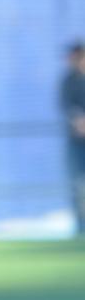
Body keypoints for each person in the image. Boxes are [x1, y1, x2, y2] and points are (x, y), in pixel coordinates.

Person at [63, 41, 85, 235]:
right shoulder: (68, 81)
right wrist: (78, 121)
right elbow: (66, 107)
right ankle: (80, 225)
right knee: (77, 184)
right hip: (76, 141)